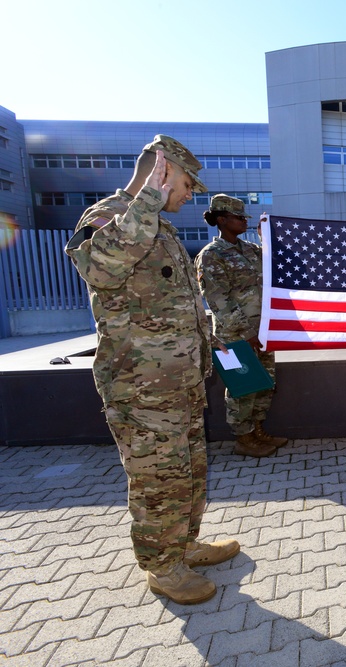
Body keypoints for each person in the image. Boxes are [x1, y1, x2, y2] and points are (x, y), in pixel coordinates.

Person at [64, 136, 239, 605]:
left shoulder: (160, 228)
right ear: (160, 171)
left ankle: (183, 546)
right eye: (185, 184)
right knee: (157, 479)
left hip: (180, 381)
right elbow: (101, 269)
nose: (189, 194)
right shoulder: (107, 217)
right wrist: (146, 203)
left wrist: (211, 342)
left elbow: (176, 303)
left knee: (188, 470)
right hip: (139, 388)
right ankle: (162, 568)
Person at [196, 195, 287, 457]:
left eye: (245, 217)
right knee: (243, 385)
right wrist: (246, 332)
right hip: (234, 335)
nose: (244, 221)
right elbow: (217, 299)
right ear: (222, 220)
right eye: (239, 217)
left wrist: (266, 236)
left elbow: (274, 266)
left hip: (262, 332)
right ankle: (243, 438)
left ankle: (258, 430)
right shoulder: (212, 256)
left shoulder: (250, 250)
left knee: (264, 382)